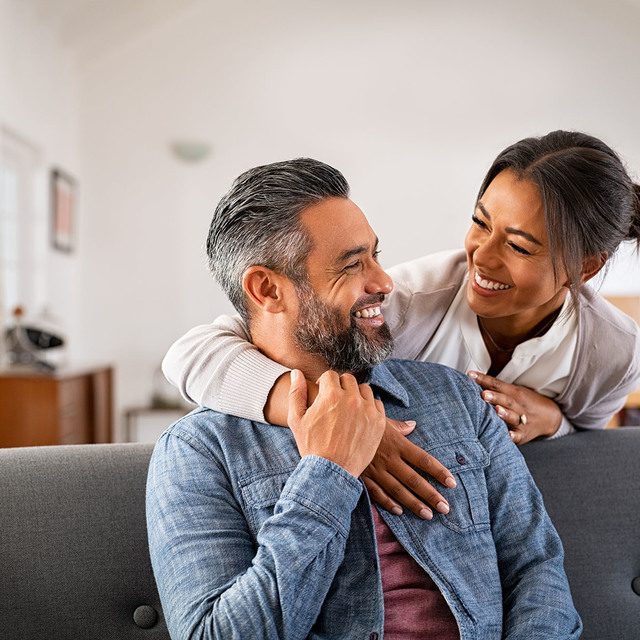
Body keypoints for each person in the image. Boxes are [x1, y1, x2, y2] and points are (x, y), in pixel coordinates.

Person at [146, 158, 581, 639]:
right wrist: (327, 473)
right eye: (353, 265)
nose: (384, 282)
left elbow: (536, 568)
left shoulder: (457, 397)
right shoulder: (198, 451)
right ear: (267, 289)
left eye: (376, 255)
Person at [162, 130, 640, 519]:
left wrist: (552, 421)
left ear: (585, 269)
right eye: (480, 222)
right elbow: (192, 354)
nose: (483, 256)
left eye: (519, 246)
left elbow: (588, 438)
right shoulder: (405, 302)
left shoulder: (613, 352)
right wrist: (343, 424)